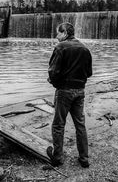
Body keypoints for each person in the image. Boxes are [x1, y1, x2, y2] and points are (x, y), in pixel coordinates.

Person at [47, 22, 92, 168]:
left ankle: (58, 158)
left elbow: (53, 72)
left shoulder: (61, 47)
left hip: (64, 91)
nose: (56, 36)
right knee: (80, 125)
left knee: (58, 125)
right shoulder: (85, 49)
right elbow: (89, 73)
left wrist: (53, 81)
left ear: (65, 33)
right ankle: (84, 158)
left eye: (58, 33)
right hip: (80, 91)